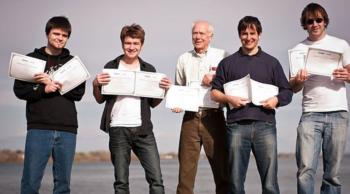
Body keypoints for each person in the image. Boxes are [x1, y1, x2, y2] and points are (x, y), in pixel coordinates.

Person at [211, 16, 293, 194]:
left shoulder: (272, 63)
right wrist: (230, 99)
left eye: (252, 33)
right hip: (236, 126)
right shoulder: (227, 63)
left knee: (270, 183)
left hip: (266, 126)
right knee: (235, 182)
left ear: (259, 34)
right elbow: (214, 93)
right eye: (244, 33)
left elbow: (287, 91)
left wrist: (276, 100)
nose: (248, 37)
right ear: (239, 35)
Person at [92, 24, 171, 194]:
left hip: (144, 130)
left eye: (136, 43)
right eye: (128, 43)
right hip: (118, 129)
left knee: (157, 180)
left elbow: (153, 103)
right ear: (122, 43)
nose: (131, 47)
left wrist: (163, 90)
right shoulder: (111, 66)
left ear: (141, 45)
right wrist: (95, 84)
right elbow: (99, 99)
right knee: (121, 182)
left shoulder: (149, 69)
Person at [13, 16, 86, 194]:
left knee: (63, 186)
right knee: (30, 183)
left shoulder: (72, 63)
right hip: (38, 127)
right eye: (56, 33)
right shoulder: (31, 59)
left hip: (67, 129)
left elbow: (79, 94)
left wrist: (55, 83)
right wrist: (43, 90)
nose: (60, 38)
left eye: (64, 35)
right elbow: (19, 91)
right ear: (47, 33)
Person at [289, 3, 350, 194]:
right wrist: (298, 81)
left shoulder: (341, 45)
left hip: (338, 113)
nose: (314, 24)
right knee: (305, 170)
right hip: (310, 115)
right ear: (304, 24)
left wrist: (347, 76)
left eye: (318, 20)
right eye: (310, 21)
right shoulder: (297, 50)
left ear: (325, 22)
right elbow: (294, 88)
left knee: (333, 174)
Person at [174, 20, 229, 194]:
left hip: (215, 117)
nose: (197, 37)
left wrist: (214, 79)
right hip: (190, 119)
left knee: (222, 173)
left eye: (201, 33)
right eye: (194, 33)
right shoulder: (183, 58)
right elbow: (179, 88)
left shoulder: (223, 56)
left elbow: (231, 85)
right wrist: (177, 103)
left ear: (210, 36)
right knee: (185, 175)